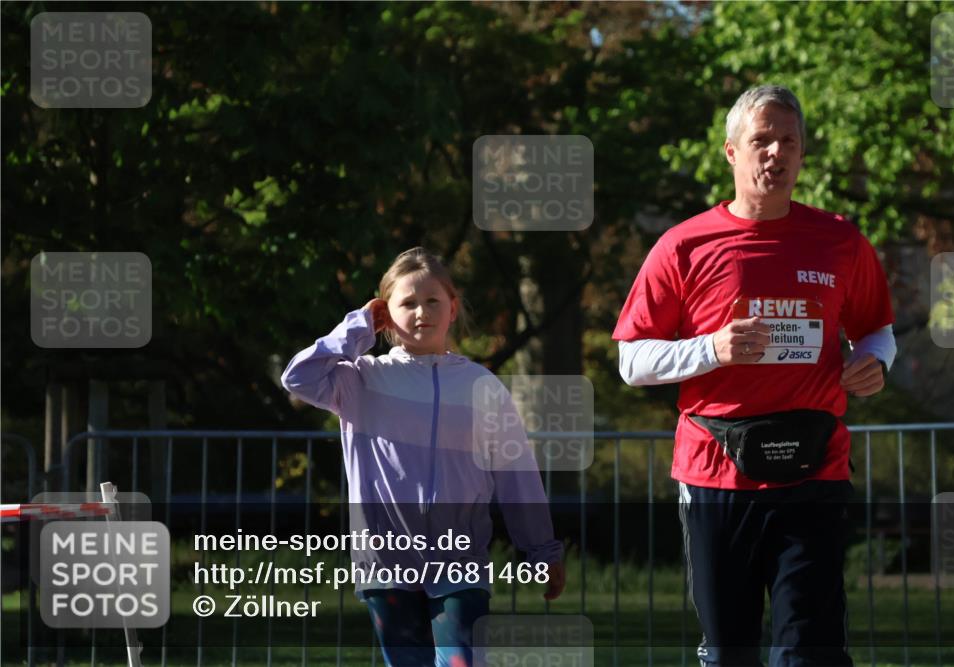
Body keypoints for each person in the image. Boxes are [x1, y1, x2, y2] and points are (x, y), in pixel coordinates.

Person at [613, 85, 896, 666]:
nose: (775, 153)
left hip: (816, 468)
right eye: (760, 140)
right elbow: (632, 361)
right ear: (730, 153)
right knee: (729, 652)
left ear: (801, 154)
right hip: (716, 475)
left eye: (787, 141)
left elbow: (876, 329)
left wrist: (875, 363)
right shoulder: (684, 245)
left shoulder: (840, 240)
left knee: (811, 652)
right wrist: (711, 349)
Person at [281, 247, 566, 667]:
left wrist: (543, 550)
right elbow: (298, 377)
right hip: (386, 561)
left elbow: (516, 473)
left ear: (453, 308)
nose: (421, 312)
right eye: (407, 303)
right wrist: (357, 328)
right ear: (385, 314)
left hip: (461, 558)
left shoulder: (480, 385)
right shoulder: (360, 378)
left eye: (432, 301)